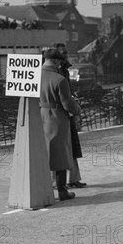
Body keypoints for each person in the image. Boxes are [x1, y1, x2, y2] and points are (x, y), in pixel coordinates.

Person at [40, 48, 82, 201]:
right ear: (57, 61)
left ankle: (43, 189)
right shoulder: (59, 79)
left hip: (40, 117)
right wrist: (77, 108)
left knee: (43, 154)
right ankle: (62, 191)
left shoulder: (34, 77)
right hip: (57, 118)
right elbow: (68, 105)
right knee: (61, 154)